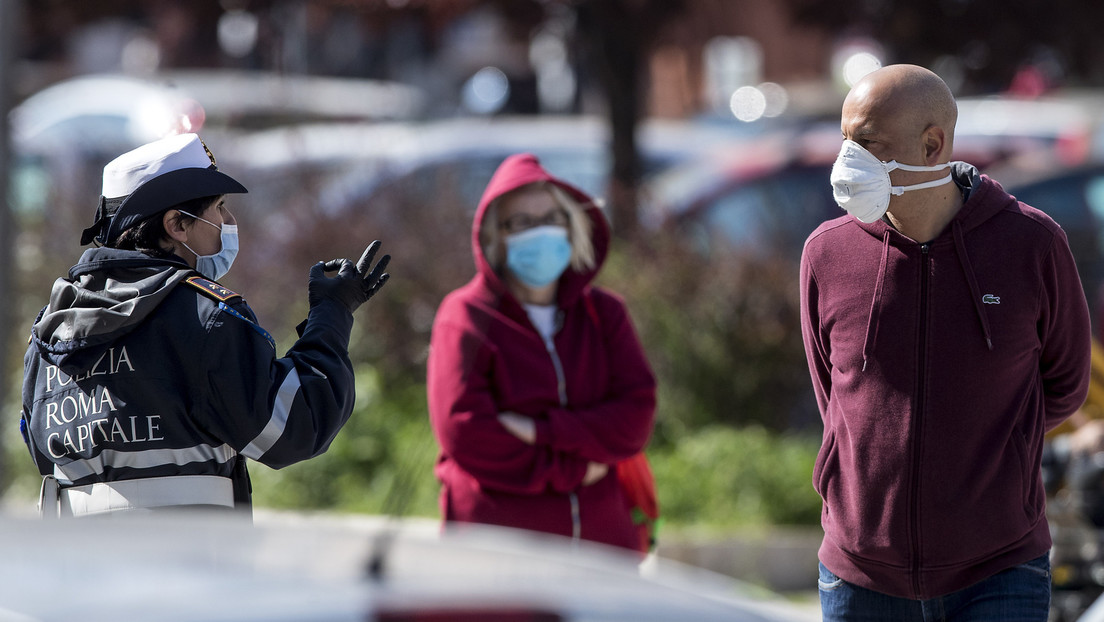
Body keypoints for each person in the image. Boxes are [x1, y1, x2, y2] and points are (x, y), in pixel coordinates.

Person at [800, 64, 1092, 620]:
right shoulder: (825, 253)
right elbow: (833, 392)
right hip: (858, 575)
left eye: (867, 142)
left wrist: (997, 451)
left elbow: (1066, 384)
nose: (847, 160)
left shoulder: (1030, 244)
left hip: (999, 573)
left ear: (933, 144)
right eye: (844, 140)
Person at [21, 132, 391, 518]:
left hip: (76, 569)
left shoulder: (49, 330)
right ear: (177, 224)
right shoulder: (205, 316)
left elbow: (40, 451)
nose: (229, 222)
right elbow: (296, 425)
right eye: (219, 207)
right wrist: (332, 312)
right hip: (188, 566)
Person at [426, 153, 656, 553]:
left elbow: (635, 418)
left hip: (602, 551)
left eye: (552, 218)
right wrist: (576, 468)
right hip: (499, 556)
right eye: (522, 223)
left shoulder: (604, 313)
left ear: (572, 226)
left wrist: (540, 430)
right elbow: (467, 433)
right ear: (495, 235)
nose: (541, 232)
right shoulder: (465, 316)